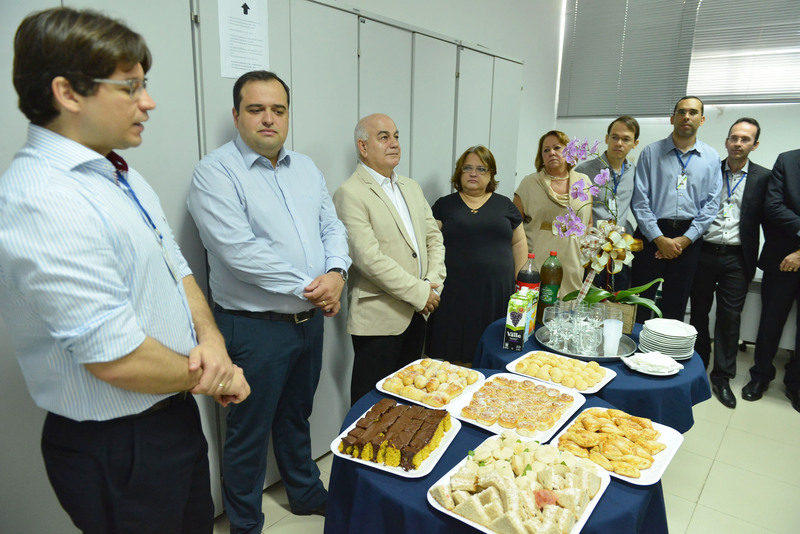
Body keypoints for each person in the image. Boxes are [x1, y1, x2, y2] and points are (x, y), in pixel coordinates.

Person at [0, 8, 250, 533]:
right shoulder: (44, 197)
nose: (148, 101)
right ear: (68, 93)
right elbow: (115, 358)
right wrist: (217, 376)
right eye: (130, 86)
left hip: (171, 413)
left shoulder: (117, 172)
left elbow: (175, 266)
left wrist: (212, 343)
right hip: (118, 445)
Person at [187, 71, 350, 532]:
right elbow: (238, 252)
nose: (268, 119)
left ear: (287, 115)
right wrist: (313, 287)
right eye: (256, 109)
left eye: (278, 110)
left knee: (298, 416)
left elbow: (331, 226)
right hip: (252, 328)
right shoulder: (215, 172)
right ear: (236, 115)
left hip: (308, 323)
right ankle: (245, 524)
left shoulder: (306, 168)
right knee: (248, 432)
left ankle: (305, 492)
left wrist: (337, 273)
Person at [333, 113, 446, 405]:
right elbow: (368, 259)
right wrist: (421, 292)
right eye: (383, 137)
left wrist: (433, 283)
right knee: (371, 410)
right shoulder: (349, 193)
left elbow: (434, 239)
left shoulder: (411, 187)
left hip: (418, 314)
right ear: (363, 146)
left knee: (408, 403)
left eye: (396, 136)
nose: (394, 143)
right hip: (379, 321)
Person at [689, 118, 770, 408]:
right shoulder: (709, 170)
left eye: (745, 139)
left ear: (754, 145)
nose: (738, 143)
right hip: (704, 251)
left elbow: (772, 217)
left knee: (729, 318)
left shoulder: (764, 178)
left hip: (738, 257)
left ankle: (722, 377)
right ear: (726, 141)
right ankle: (698, 366)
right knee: (699, 312)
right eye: (734, 137)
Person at [425, 146, 527, 364]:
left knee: (493, 351)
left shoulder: (505, 205)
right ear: (459, 172)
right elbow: (429, 243)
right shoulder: (444, 205)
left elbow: (519, 243)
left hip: (495, 294)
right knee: (451, 357)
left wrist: (521, 284)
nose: (473, 173)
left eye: (481, 169)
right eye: (467, 168)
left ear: (491, 175)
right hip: (453, 293)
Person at [630, 96, 722, 322]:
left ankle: (668, 347)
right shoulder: (650, 153)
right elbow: (640, 200)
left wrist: (686, 239)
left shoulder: (711, 158)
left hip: (689, 239)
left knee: (675, 307)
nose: (686, 117)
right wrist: (659, 239)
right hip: (651, 235)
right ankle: (634, 346)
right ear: (672, 119)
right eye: (681, 112)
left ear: (702, 120)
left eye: (693, 112)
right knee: (638, 304)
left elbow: (712, 204)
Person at [742, 148, 800, 413]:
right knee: (770, 321)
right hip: (781, 259)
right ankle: (760, 376)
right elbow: (773, 207)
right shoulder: (787, 160)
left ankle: (796, 382)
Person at [514, 130, 592, 295]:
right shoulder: (529, 183)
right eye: (546, 150)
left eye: (557, 147)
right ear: (541, 156)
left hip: (573, 262)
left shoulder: (584, 181)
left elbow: (588, 222)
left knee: (569, 306)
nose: (552, 153)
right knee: (538, 303)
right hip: (537, 261)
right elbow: (514, 225)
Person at [575, 115, 640, 291]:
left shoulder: (634, 172)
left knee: (616, 300)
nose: (619, 143)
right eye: (615, 137)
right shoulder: (584, 171)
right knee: (587, 300)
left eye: (626, 139)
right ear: (606, 138)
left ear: (635, 143)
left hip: (619, 251)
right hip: (591, 251)